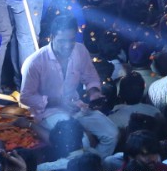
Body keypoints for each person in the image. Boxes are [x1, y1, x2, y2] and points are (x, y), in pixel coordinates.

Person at [19, 14, 119, 158]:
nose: (67, 46)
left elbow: (90, 76)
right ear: (52, 37)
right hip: (49, 112)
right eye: (62, 41)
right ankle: (85, 169)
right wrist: (57, 101)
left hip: (76, 106)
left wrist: (94, 92)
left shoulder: (80, 50)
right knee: (81, 142)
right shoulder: (35, 62)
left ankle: (95, 168)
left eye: (71, 40)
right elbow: (26, 97)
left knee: (112, 133)